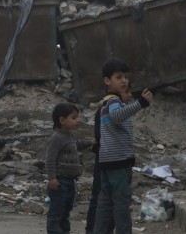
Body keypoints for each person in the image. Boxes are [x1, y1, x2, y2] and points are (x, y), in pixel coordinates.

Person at [94, 59, 153, 234]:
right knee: (121, 204)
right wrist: (140, 103)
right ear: (107, 81)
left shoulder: (108, 102)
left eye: (126, 77)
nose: (124, 81)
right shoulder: (113, 101)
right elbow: (118, 116)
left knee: (105, 203)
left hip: (108, 161)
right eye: (118, 77)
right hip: (118, 163)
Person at [85, 88, 133, 234]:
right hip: (112, 161)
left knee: (103, 202)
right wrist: (141, 103)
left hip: (105, 160)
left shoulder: (104, 109)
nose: (130, 95)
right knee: (117, 204)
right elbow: (103, 136)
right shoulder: (112, 106)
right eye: (127, 91)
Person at [45, 103, 88, 234]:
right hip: (60, 182)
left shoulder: (70, 136)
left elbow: (76, 145)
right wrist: (52, 178)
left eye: (77, 117)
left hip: (70, 181)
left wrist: (91, 142)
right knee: (56, 213)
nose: (77, 120)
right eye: (74, 118)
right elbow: (50, 159)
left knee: (65, 212)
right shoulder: (56, 138)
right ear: (62, 120)